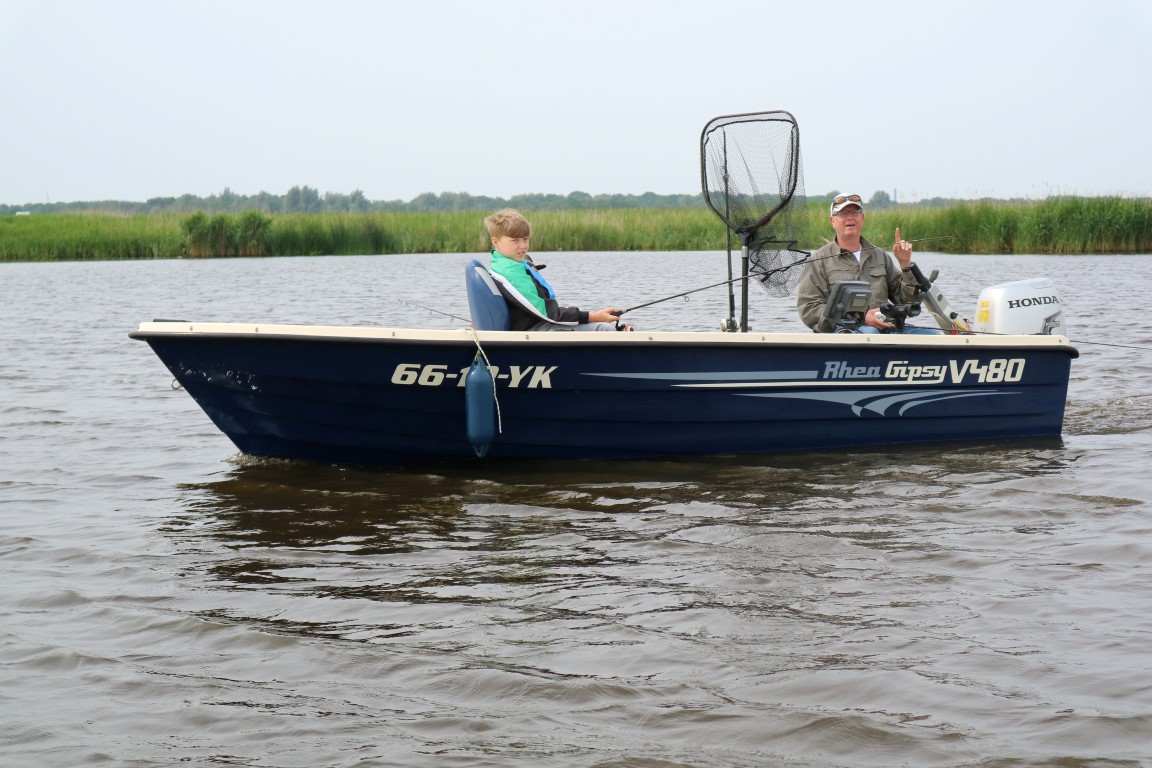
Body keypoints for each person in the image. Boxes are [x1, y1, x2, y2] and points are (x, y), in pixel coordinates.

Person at [796, 193, 935, 334]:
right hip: (843, 331)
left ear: (862, 218)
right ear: (833, 221)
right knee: (870, 333)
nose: (850, 217)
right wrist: (857, 318)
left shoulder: (880, 256)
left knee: (931, 335)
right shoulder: (818, 260)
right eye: (843, 213)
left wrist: (905, 265)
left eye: (855, 212)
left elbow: (907, 303)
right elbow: (808, 308)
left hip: (886, 326)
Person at [484, 208, 630, 332]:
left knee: (604, 327)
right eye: (515, 240)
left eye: (525, 239)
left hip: (538, 324)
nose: (522, 246)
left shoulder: (510, 264)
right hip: (533, 331)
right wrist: (594, 317)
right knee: (602, 329)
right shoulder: (510, 272)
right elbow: (548, 313)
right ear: (496, 241)